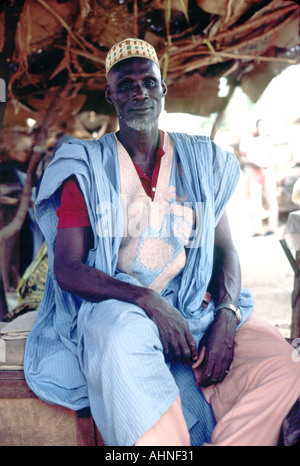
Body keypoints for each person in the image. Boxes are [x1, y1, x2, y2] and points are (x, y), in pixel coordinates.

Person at [24, 38, 300, 446]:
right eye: (126, 85)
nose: (139, 93)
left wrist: (226, 312)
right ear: (110, 96)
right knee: (118, 341)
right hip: (119, 305)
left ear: (163, 89)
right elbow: (68, 268)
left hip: (196, 307)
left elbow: (225, 250)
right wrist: (148, 302)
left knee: (282, 365)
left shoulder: (201, 159)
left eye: (148, 82)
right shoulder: (86, 167)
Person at [240, 119, 279, 236]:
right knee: (255, 201)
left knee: (271, 199)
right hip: (253, 172)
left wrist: (267, 165)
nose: (261, 128)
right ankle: (257, 229)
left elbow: (275, 157)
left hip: (268, 171)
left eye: (264, 126)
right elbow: (243, 158)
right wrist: (254, 164)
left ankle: (272, 227)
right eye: (260, 126)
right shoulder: (248, 140)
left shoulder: (269, 140)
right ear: (256, 127)